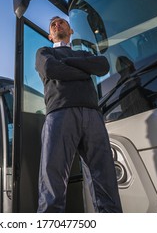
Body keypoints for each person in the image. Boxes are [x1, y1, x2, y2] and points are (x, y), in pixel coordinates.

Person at [35, 16, 122, 213]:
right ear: (50, 35)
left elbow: (102, 66)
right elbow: (50, 68)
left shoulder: (83, 53)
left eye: (61, 22)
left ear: (71, 30)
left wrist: (66, 63)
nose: (58, 24)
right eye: (53, 24)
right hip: (59, 113)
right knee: (53, 182)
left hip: (93, 115)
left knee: (106, 182)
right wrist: (84, 70)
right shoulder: (44, 52)